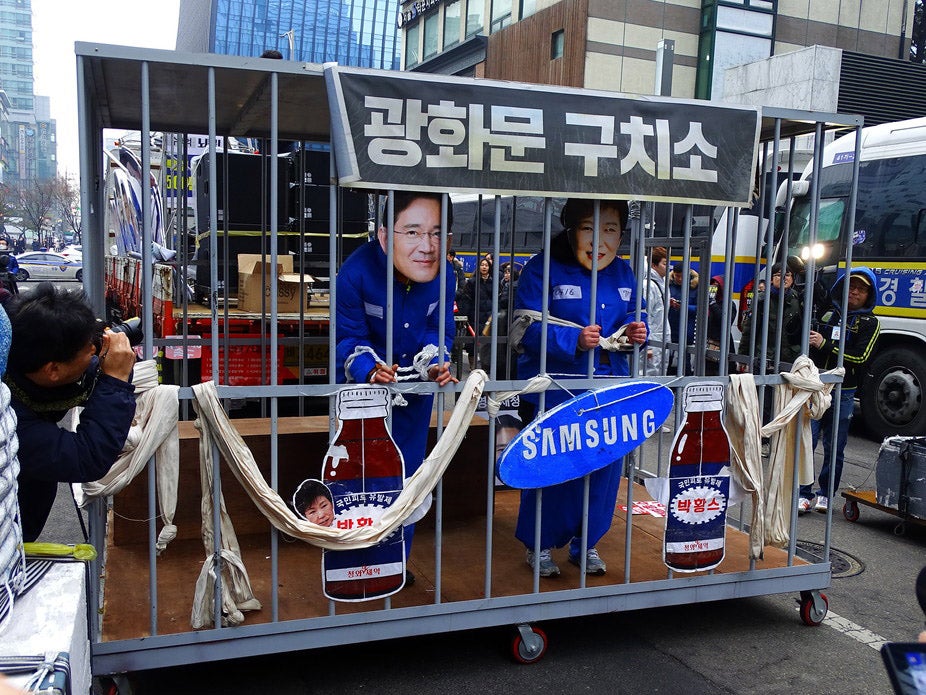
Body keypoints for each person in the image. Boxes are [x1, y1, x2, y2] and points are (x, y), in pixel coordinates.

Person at [513, 198, 647, 577]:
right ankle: (538, 545)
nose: (600, 240)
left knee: (604, 468)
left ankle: (586, 544)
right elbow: (523, 326)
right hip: (557, 387)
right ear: (571, 230)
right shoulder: (543, 267)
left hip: (610, 386)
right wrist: (572, 341)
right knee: (553, 465)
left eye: (611, 230)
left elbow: (636, 314)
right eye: (590, 228)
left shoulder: (623, 272)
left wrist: (638, 331)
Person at [335, 192, 457, 558]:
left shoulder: (445, 274)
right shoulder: (354, 272)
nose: (427, 246)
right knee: (360, 478)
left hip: (415, 399)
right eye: (413, 232)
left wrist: (437, 361)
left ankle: (394, 561)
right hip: (363, 398)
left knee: (409, 477)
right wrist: (368, 368)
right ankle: (359, 558)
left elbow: (441, 330)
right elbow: (347, 338)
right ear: (384, 235)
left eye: (437, 233)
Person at [3, 282, 137, 542]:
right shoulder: (10, 421)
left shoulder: (20, 365)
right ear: (53, 370)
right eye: (88, 352)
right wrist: (116, 380)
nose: (95, 356)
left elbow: (71, 380)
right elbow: (86, 456)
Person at [798, 267, 880, 514]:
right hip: (815, 387)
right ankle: (803, 493)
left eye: (861, 289)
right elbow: (807, 345)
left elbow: (860, 357)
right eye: (851, 286)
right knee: (807, 442)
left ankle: (825, 494)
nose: (854, 292)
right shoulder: (826, 315)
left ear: (869, 295)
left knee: (835, 446)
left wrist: (826, 344)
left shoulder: (870, 323)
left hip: (844, 392)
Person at [703, 275, 737, 376]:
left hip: (722, 343)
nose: (714, 287)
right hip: (709, 344)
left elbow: (725, 322)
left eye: (717, 285)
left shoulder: (729, 304)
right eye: (712, 284)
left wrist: (713, 305)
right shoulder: (707, 303)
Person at [667, 264, 698, 374]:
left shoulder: (696, 287)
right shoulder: (668, 285)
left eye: (682, 276)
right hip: (670, 328)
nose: (679, 279)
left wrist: (683, 307)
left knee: (685, 363)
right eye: (677, 276)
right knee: (667, 361)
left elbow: (701, 309)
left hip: (686, 330)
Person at [644, 247, 668, 376]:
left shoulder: (660, 284)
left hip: (659, 339)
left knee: (658, 374)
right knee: (650, 375)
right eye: (664, 263)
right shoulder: (649, 286)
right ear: (653, 265)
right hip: (653, 341)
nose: (668, 266)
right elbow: (644, 317)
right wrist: (647, 345)